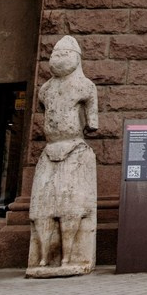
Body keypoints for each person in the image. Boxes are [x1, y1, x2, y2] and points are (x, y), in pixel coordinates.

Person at [27, 35, 100, 277]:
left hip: (75, 150)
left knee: (73, 208)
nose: (57, 58)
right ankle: (44, 258)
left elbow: (92, 123)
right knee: (41, 209)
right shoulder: (46, 89)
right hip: (50, 149)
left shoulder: (85, 87)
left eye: (64, 54)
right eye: (54, 54)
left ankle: (70, 256)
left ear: (76, 58)